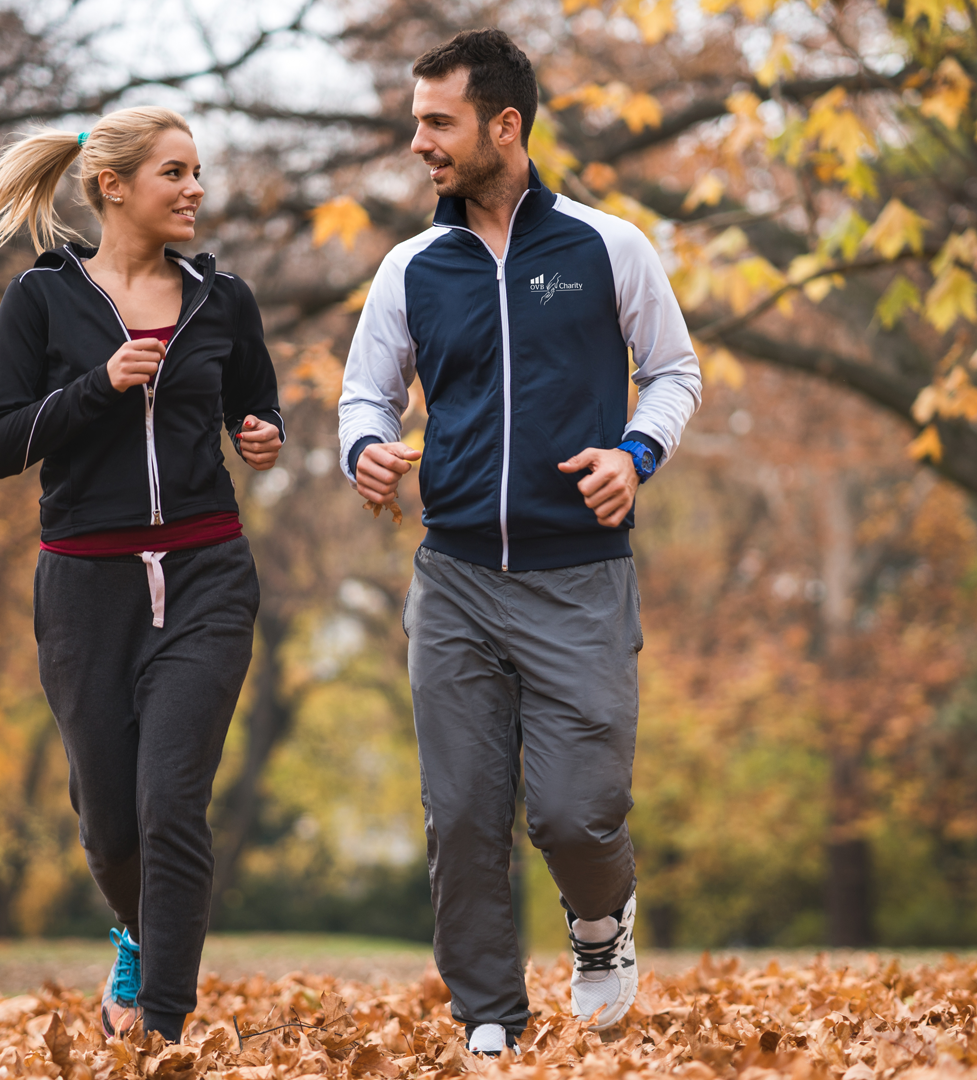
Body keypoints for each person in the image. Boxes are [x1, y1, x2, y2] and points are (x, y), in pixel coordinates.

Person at [337, 28, 701, 1056]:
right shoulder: (413, 268)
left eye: (437, 122)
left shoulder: (607, 247)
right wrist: (363, 445)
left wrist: (636, 452)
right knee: (460, 816)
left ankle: (599, 925)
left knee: (579, 816)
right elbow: (366, 392)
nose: (419, 144)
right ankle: (489, 1018)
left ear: (506, 125)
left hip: (578, 579)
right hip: (452, 579)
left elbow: (675, 371)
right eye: (416, 123)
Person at [0, 106, 284, 1042]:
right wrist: (96, 387)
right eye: (173, 173)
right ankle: (142, 942)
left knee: (171, 804)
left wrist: (260, 435)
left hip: (206, 573)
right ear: (113, 187)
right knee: (110, 823)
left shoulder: (224, 299)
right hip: (85, 586)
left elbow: (253, 406)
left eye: (197, 173)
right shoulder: (41, 299)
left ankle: (162, 1029)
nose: (194, 190)